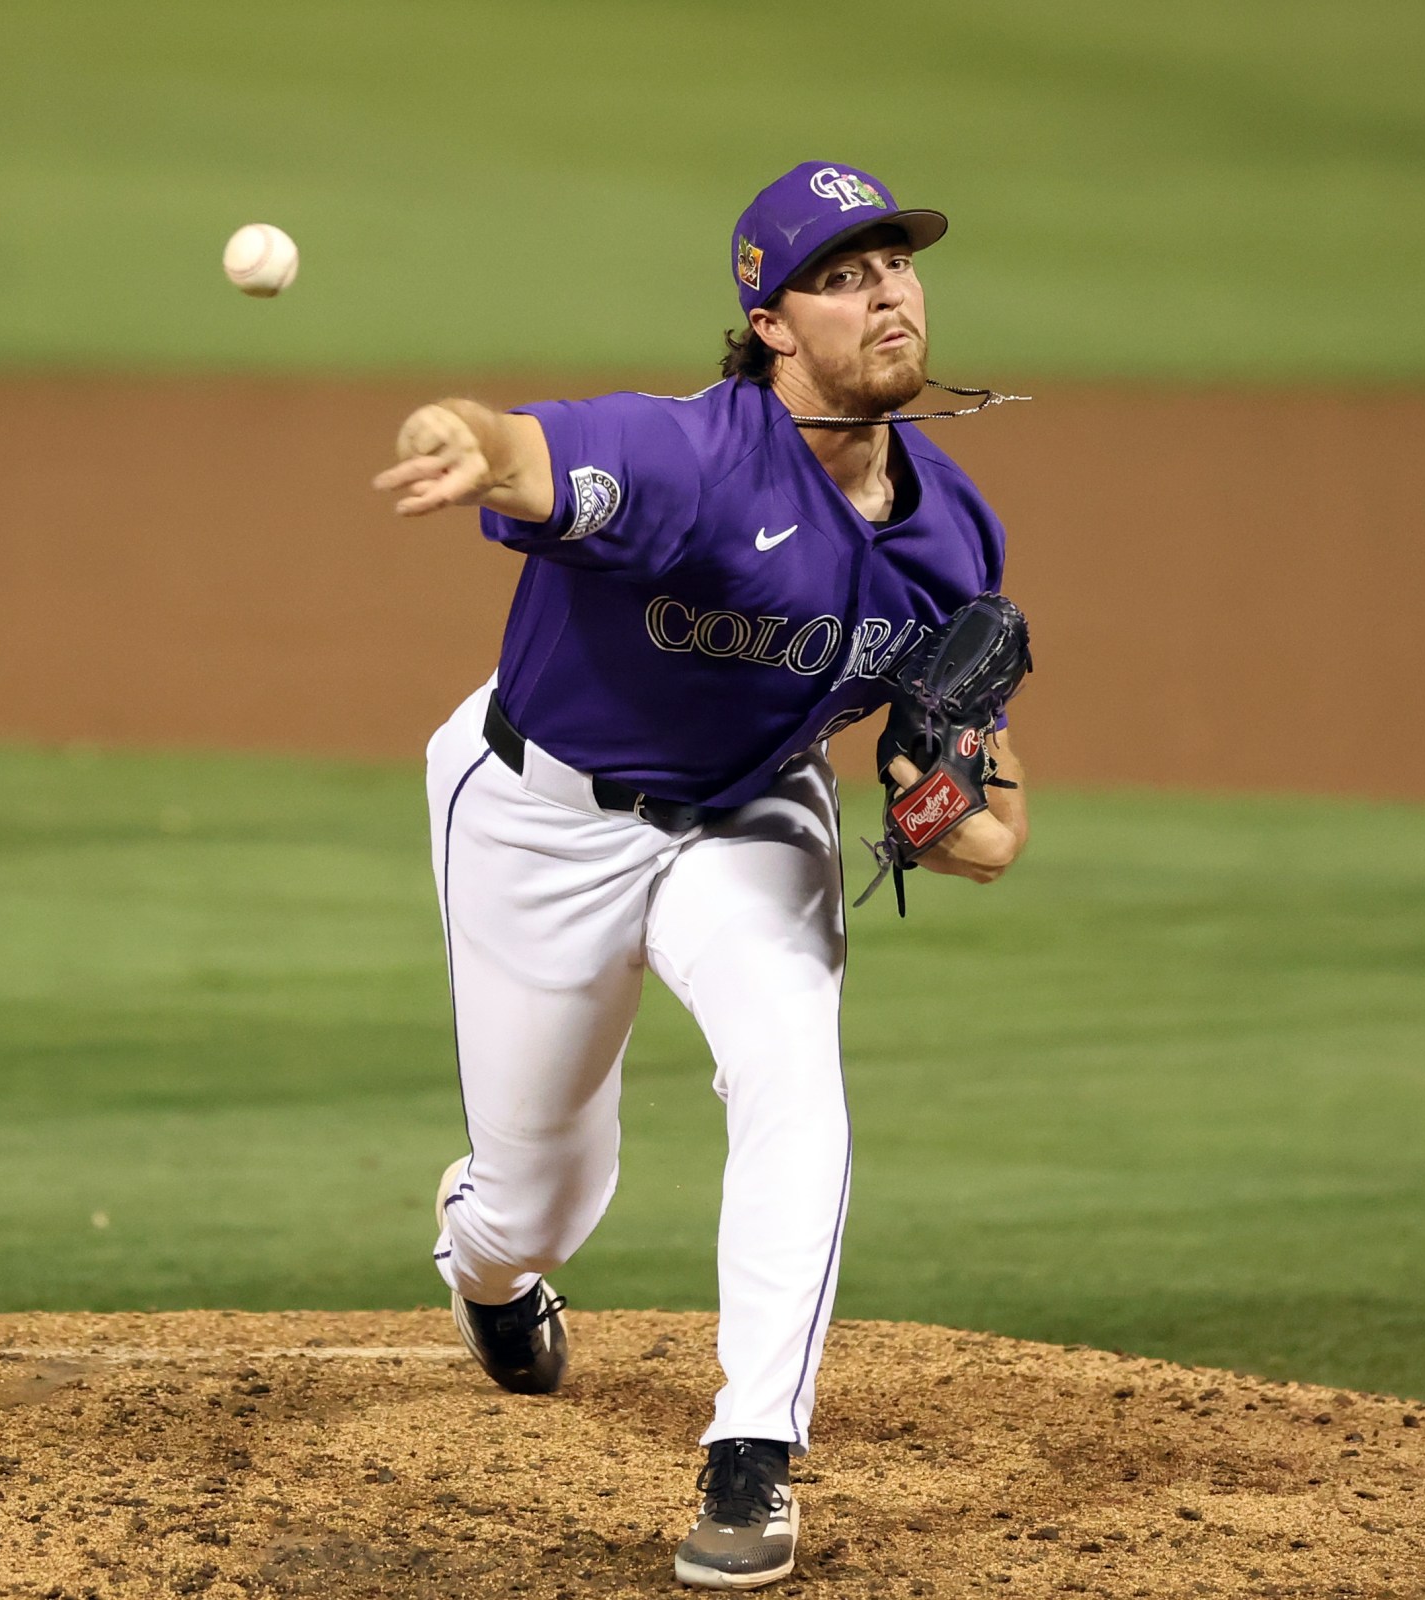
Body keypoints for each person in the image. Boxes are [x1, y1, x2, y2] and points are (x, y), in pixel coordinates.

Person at [372, 160, 1029, 1590]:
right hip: (541, 822)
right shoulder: (694, 461)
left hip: (746, 820)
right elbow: (534, 450)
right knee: (535, 1200)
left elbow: (987, 825)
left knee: (792, 1068)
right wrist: (466, 438)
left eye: (897, 265)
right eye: (844, 276)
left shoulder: (953, 535)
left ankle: (752, 1458)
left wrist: (942, 806)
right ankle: (488, 1266)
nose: (888, 293)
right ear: (774, 323)